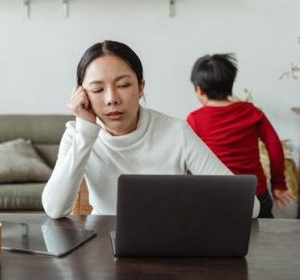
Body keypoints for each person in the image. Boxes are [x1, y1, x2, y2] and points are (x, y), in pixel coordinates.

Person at [42, 41, 260, 219]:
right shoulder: (77, 134)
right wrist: (86, 132)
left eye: (124, 85)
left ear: (141, 87)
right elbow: (54, 209)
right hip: (103, 246)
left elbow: (249, 206)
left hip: (169, 242)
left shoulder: (176, 132)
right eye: (98, 89)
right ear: (82, 94)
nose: (112, 100)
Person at [187, 53, 296, 218]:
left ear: (200, 90)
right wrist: (278, 183)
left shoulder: (195, 119)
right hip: (255, 194)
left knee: (218, 242)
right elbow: (274, 146)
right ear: (230, 84)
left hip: (216, 197)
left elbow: (187, 158)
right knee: (263, 240)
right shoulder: (252, 112)